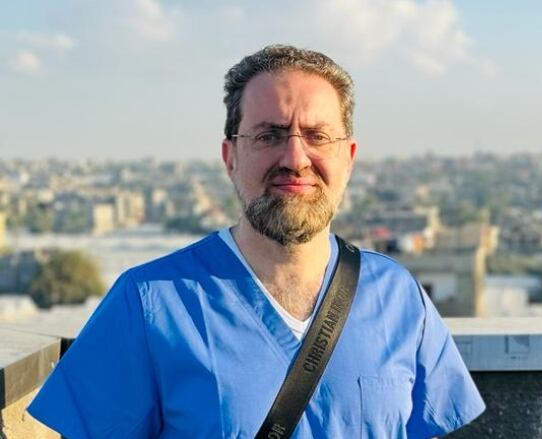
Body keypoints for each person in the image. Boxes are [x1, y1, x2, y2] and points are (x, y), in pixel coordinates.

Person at [28, 44, 485, 438]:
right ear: (230, 156)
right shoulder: (150, 303)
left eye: (317, 136)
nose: (294, 157)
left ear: (348, 158)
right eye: (269, 135)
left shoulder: (397, 297)